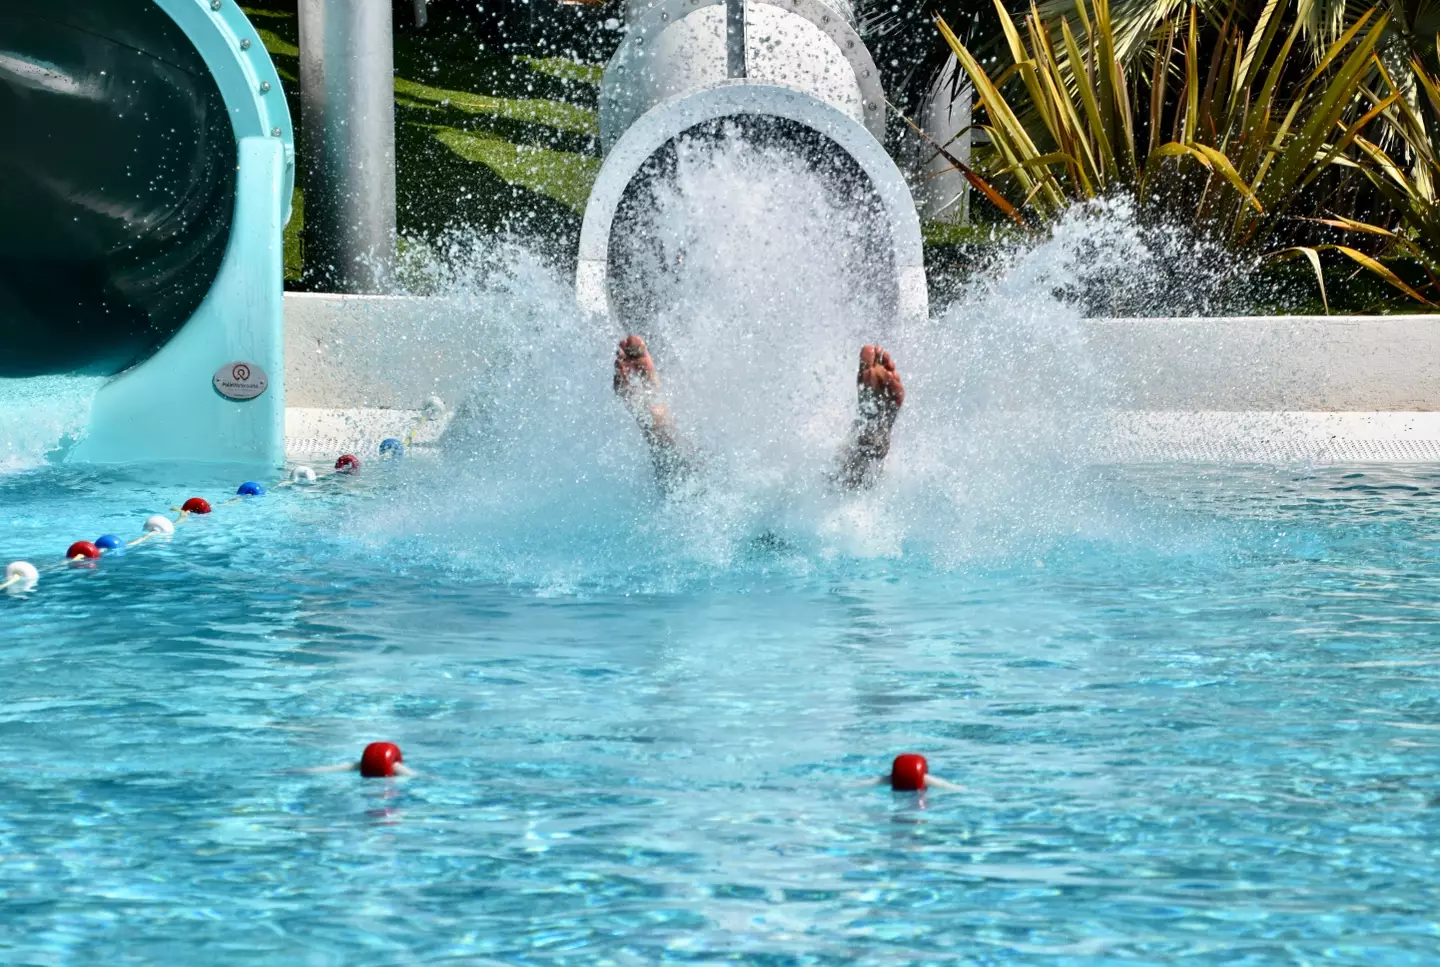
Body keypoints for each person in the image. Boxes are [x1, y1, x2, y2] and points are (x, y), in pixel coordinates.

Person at [613, 335, 905, 491]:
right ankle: (870, 433)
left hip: (718, 529)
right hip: (816, 530)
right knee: (836, 496)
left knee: (689, 490)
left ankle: (655, 421)